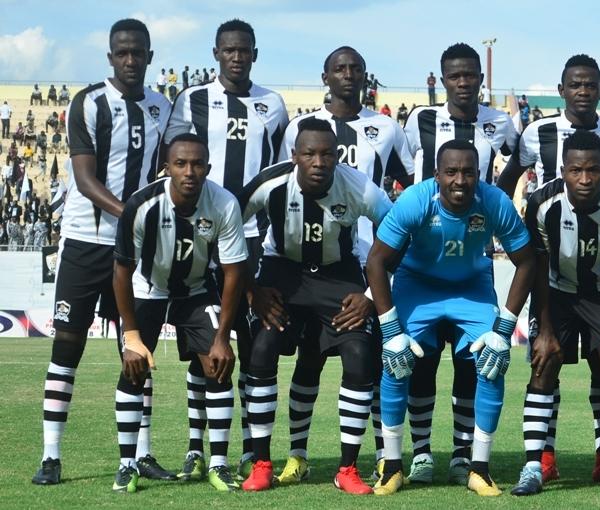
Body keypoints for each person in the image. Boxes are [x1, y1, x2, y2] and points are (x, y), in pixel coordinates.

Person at [31, 18, 172, 486]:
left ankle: (141, 453)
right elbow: (85, 179)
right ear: (111, 57)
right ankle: (51, 456)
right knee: (67, 347)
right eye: (122, 52)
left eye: (138, 52)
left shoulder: (162, 108)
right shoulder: (88, 102)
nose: (130, 60)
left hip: (136, 249)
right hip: (85, 243)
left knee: (137, 350)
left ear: (149, 57)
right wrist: (132, 214)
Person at [275, 46, 414, 485]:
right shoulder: (299, 126)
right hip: (308, 263)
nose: (348, 75)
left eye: (356, 69)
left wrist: (378, 283)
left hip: (369, 269)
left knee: (369, 360)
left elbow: (408, 193)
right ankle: (296, 456)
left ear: (366, 76)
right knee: (308, 358)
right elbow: (279, 190)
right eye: (340, 68)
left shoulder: (387, 128)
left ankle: (381, 455)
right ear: (326, 76)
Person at [367, 139, 536, 496]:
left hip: (471, 288)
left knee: (492, 361)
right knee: (396, 360)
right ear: (436, 175)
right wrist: (391, 330)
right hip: (418, 285)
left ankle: (479, 469)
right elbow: (376, 261)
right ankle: (392, 466)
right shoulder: (415, 200)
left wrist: (504, 329)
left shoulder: (494, 202)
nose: (460, 180)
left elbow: (527, 262)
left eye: (468, 172)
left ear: (480, 174)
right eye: (451, 172)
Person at [239, 118, 393, 494]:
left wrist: (369, 296)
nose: (319, 162)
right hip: (282, 274)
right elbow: (227, 225)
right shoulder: (270, 184)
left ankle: (348, 470)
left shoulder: (359, 187)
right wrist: (251, 290)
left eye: (327, 154)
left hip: (338, 276)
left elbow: (397, 234)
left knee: (359, 356)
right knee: (261, 350)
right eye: (310, 154)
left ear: (338, 156)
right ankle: (261, 464)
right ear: (295, 156)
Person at [165, 18, 289, 481]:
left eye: (245, 50)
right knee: (205, 342)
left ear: (255, 54)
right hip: (201, 236)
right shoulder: (191, 99)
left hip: (255, 238)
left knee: (255, 347)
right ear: (216, 53)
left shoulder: (273, 105)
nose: (237, 57)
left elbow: (280, 174)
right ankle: (197, 447)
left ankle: (253, 450)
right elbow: (173, 162)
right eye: (229, 50)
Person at [401, 42, 519, 485]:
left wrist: (496, 200)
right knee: (421, 361)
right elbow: (406, 168)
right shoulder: (420, 120)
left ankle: (461, 454)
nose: (464, 82)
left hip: (472, 259)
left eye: (471, 74)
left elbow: (517, 162)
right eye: (455, 75)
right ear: (443, 78)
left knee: (472, 363)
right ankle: (421, 453)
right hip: (423, 258)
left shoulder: (499, 123)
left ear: (480, 79)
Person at [111, 133, 248, 492]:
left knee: (218, 365)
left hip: (196, 292)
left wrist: (222, 338)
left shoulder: (224, 204)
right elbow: (121, 272)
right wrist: (131, 337)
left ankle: (219, 464)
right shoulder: (141, 205)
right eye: (181, 164)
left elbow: (234, 272)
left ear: (208, 168)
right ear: (166, 168)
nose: (189, 171)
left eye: (197, 164)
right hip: (147, 291)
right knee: (133, 368)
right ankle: (127, 465)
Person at [520, 130, 600, 498]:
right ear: (563, 170)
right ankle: (534, 466)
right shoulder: (542, 202)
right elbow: (537, 266)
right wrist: (545, 329)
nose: (585, 178)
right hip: (555, 291)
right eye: (576, 170)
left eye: (593, 170)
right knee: (544, 363)